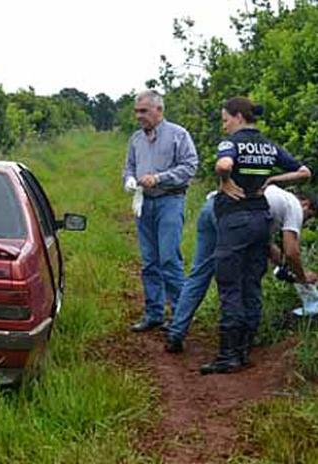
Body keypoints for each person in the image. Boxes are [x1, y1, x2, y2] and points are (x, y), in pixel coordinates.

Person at [201, 97, 311, 375]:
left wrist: (225, 181)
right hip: (261, 219)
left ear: (238, 117)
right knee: (252, 284)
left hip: (235, 219)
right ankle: (245, 351)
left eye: (225, 119)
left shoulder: (231, 143)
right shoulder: (268, 145)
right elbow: (303, 172)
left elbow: (224, 165)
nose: (224, 125)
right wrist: (273, 180)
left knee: (229, 285)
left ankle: (228, 355)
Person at [164, 184, 316, 355]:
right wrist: (302, 277)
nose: (305, 221)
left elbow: (268, 246)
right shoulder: (293, 206)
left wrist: (287, 269)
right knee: (242, 279)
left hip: (212, 206)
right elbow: (291, 251)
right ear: (305, 204)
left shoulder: (274, 195)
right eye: (309, 216)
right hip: (232, 218)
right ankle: (240, 344)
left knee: (199, 274)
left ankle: (175, 333)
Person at [123, 90, 199, 332]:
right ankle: (154, 313)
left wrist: (159, 178)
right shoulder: (136, 139)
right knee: (149, 261)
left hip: (170, 200)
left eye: (143, 111)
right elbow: (129, 167)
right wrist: (129, 180)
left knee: (169, 259)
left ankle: (180, 315)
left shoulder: (179, 134)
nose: (139, 116)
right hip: (145, 203)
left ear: (159, 110)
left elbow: (190, 166)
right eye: (137, 111)